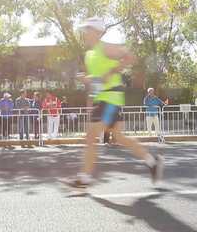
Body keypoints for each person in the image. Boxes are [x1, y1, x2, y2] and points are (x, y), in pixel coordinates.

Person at [70, 17, 164, 188]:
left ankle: (85, 177)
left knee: (91, 136)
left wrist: (112, 70)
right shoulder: (89, 55)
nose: (84, 33)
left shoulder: (105, 47)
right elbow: (97, 80)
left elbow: (130, 57)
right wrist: (88, 84)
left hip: (111, 98)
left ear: (97, 32)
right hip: (102, 99)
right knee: (119, 137)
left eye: (87, 30)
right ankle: (152, 162)